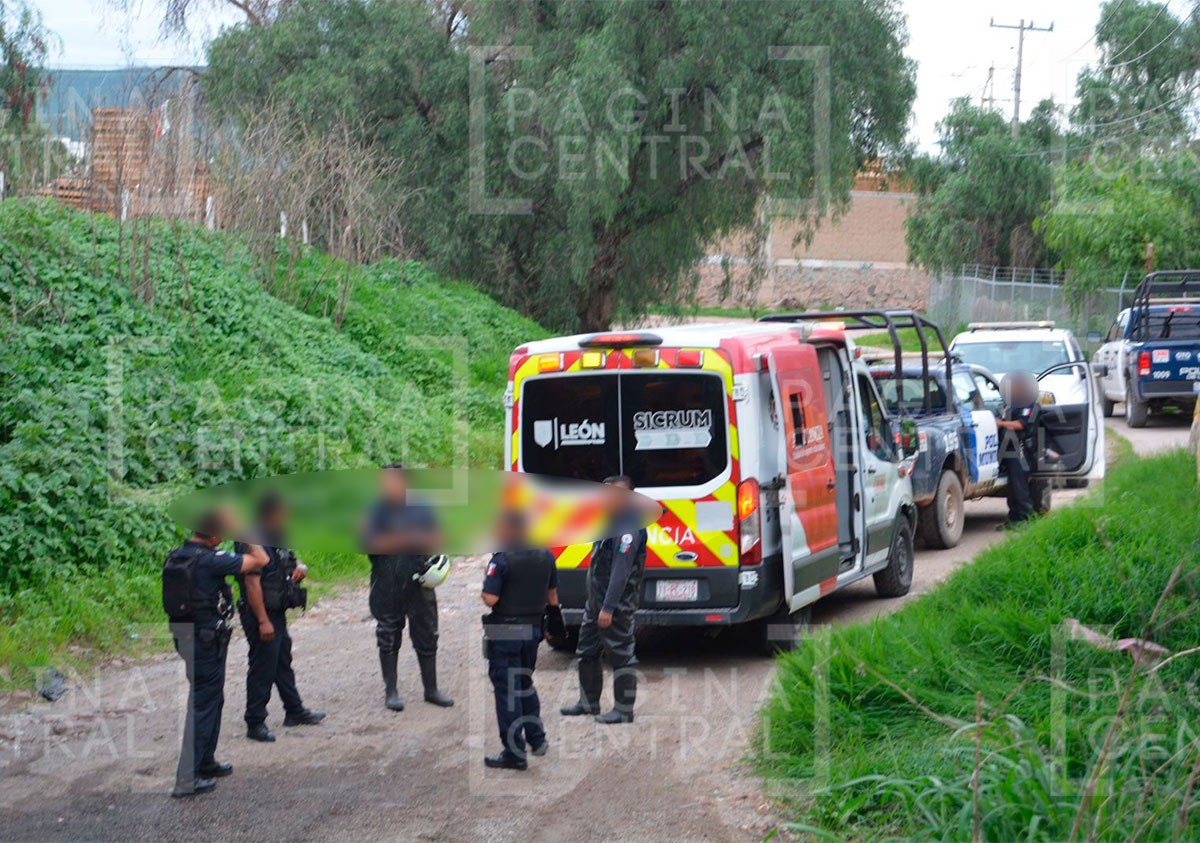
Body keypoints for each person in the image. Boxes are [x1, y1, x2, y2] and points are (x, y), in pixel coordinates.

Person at [166, 508, 269, 798]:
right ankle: (187, 778)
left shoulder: (179, 555)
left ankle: (205, 762)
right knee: (202, 704)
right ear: (213, 535)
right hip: (205, 641)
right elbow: (261, 559)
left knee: (211, 699)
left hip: (185, 636)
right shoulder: (212, 561)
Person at [362, 463, 454, 711]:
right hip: (386, 579)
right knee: (388, 633)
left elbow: (440, 537)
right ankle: (391, 691)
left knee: (427, 632)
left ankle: (431, 689)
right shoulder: (375, 509)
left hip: (418, 576)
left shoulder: (422, 506)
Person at [235, 493, 325, 743]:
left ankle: (294, 710)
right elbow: (252, 584)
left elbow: (291, 560)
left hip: (276, 610)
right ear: (270, 513)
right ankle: (255, 721)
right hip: (259, 612)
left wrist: (301, 568)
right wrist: (263, 620)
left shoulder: (276, 534)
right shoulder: (251, 540)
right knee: (263, 665)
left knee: (282, 659)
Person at [561, 475, 648, 725]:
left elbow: (620, 573)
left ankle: (624, 710)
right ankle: (588, 703)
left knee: (621, 655)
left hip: (615, 605)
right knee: (586, 652)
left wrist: (608, 608)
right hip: (596, 602)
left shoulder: (628, 528)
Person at [480, 511, 564, 771]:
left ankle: (514, 753)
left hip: (506, 632)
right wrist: (555, 621)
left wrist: (488, 576)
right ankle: (537, 739)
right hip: (532, 631)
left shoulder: (501, 559)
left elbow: (489, 599)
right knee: (525, 682)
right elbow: (552, 594)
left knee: (507, 691)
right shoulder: (546, 555)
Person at [996, 371, 1042, 528]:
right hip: (1009, 449)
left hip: (1021, 450)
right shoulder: (1011, 404)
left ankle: (1026, 519)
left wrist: (1001, 424)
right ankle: (1014, 518)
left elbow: (1022, 424)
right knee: (1012, 488)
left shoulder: (1031, 405)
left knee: (1020, 486)